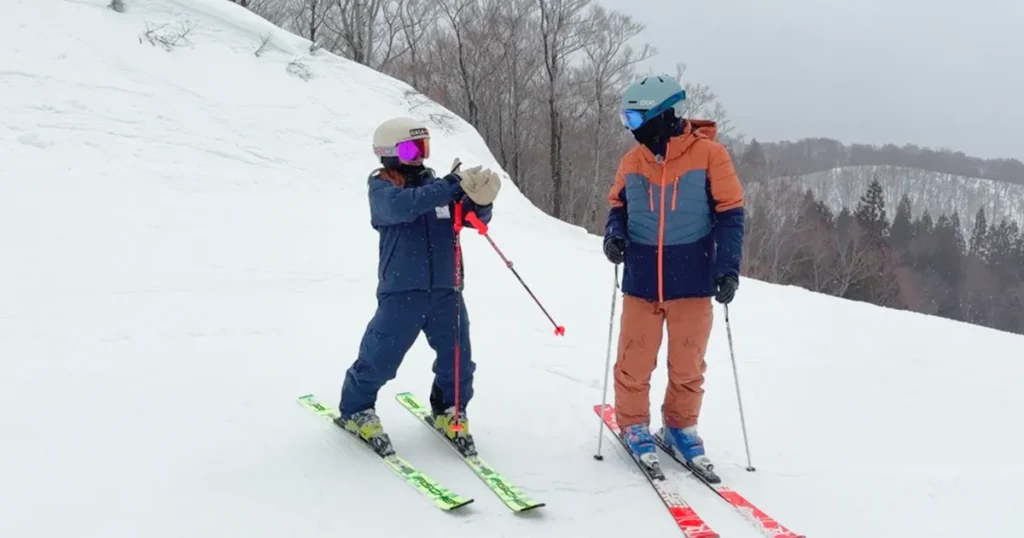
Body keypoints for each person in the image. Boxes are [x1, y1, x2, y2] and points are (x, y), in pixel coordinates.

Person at [603, 75, 743, 482]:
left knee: (687, 364)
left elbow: (731, 213)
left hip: (692, 279)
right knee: (634, 360)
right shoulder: (633, 161)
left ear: (659, 113)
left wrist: (727, 268)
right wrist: (615, 236)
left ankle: (680, 427)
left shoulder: (710, 155)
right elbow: (619, 207)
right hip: (642, 280)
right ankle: (633, 425)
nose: (630, 127)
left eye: (634, 117)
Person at [338, 116, 501, 458]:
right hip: (403, 291)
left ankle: (449, 410)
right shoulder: (383, 188)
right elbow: (402, 208)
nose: (419, 157)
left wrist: (481, 202)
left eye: (424, 148)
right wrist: (450, 185)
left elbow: (471, 219)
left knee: (458, 359)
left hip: (446, 289)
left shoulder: (436, 188)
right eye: (412, 149)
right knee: (381, 355)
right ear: (389, 152)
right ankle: (356, 409)